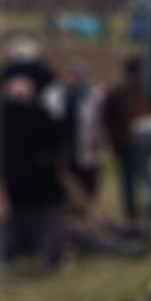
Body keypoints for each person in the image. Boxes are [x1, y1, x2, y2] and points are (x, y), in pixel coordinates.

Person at [0, 75, 66, 268]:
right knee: (23, 220)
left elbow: (53, 142)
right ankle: (18, 254)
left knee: (38, 219)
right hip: (26, 180)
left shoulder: (38, 114)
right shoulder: (31, 115)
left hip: (31, 180)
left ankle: (44, 255)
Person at [42, 62, 104, 199]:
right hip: (63, 138)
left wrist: (99, 138)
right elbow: (47, 113)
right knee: (67, 169)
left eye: (74, 75)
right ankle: (70, 198)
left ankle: (89, 196)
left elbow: (100, 119)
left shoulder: (93, 94)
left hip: (86, 137)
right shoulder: (54, 94)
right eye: (68, 75)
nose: (70, 78)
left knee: (88, 169)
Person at [100, 57, 151, 222]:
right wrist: (117, 138)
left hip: (146, 144)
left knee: (148, 177)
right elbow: (107, 118)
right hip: (125, 144)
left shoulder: (147, 90)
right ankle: (131, 213)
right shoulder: (116, 93)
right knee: (128, 180)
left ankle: (150, 209)